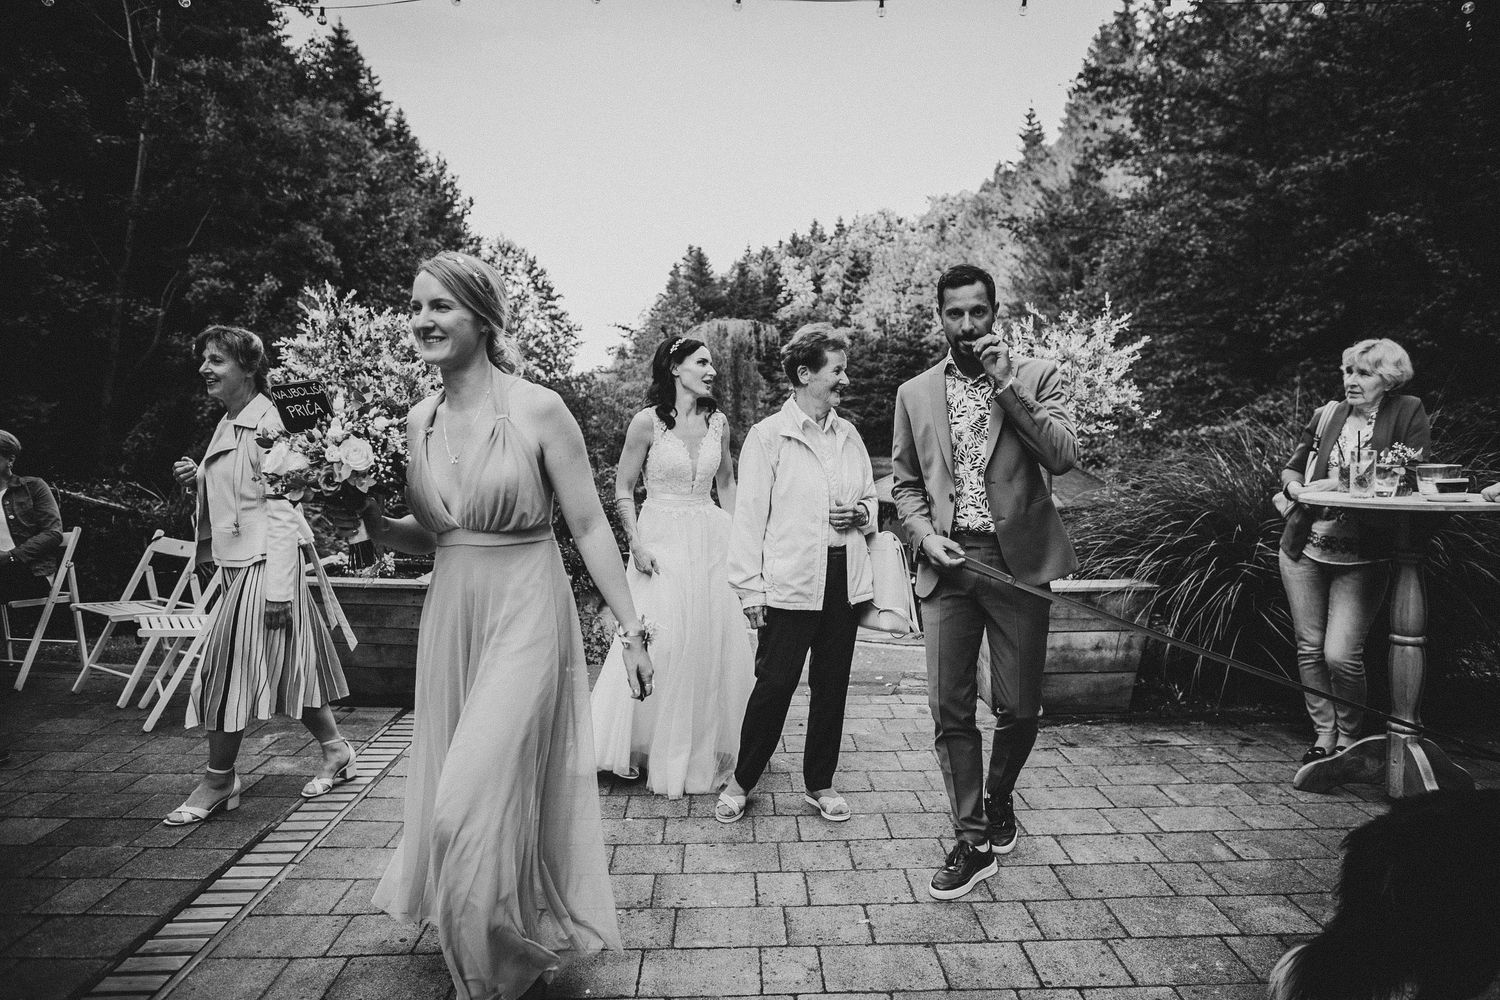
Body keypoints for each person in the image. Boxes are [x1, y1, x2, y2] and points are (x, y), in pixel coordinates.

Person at [363, 251, 653, 1000]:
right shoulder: (416, 417)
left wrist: (632, 629)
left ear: (483, 318)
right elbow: (430, 533)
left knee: (465, 800)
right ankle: (493, 936)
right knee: (478, 799)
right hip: (453, 609)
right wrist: (355, 499)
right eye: (417, 306)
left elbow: (588, 525)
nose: (423, 320)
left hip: (527, 606)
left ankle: (493, 975)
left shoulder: (538, 408)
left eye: (442, 307)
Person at [891, 263, 1079, 901]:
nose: (967, 326)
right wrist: (921, 535)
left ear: (995, 311)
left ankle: (998, 798)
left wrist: (1004, 385)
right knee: (949, 708)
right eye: (955, 314)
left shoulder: (1036, 375)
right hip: (947, 563)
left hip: (1017, 563)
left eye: (978, 312)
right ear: (939, 316)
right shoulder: (915, 393)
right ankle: (971, 840)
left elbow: (1061, 455)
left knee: (1019, 707)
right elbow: (906, 484)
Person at [165, 326, 356, 826]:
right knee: (292, 660)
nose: (205, 368)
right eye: (203, 359)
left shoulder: (270, 423)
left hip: (266, 565)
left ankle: (218, 778)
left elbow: (283, 512)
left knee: (224, 670)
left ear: (248, 368)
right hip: (237, 561)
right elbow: (242, 490)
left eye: (217, 360)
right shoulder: (231, 421)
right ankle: (337, 750)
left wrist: (276, 592)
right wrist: (200, 478)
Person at [719, 323, 878, 825]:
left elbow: (871, 501)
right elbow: (748, 519)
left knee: (832, 687)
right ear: (805, 374)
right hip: (788, 583)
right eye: (837, 370)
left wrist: (862, 515)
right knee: (774, 686)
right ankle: (742, 780)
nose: (845, 380)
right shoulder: (769, 437)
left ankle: (820, 783)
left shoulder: (849, 434)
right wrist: (750, 589)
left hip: (842, 580)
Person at [590, 337, 754, 798]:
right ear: (676, 367)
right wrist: (636, 544)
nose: (712, 371)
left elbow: (726, 481)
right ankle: (638, 743)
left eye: (712, 364)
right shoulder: (646, 423)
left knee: (706, 640)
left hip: (710, 537)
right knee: (664, 638)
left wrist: (743, 540)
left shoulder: (717, 421)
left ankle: (692, 750)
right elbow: (623, 488)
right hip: (659, 538)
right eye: (702, 362)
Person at [1279, 338, 1430, 771]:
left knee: (1340, 654)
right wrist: (1294, 488)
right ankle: (1323, 736)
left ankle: (1350, 739)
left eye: (1363, 373)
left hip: (1364, 552)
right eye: (1348, 372)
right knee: (1309, 648)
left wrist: (1334, 482)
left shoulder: (1408, 412)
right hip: (1303, 547)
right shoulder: (1328, 414)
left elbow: (1413, 474)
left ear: (1388, 379)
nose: (1352, 381)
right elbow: (1292, 467)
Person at [0, 430, 63, 609]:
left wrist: (11, 556)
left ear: (10, 460)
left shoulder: (33, 487)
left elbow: (53, 533)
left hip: (29, 572)